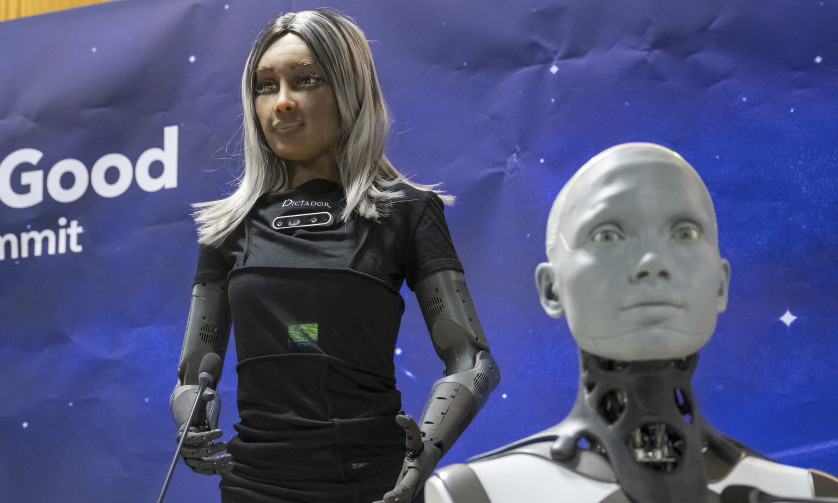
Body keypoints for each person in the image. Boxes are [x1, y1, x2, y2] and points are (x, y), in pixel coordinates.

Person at [168, 9, 499, 503]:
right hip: (254, 486)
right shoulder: (227, 227)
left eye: (305, 80)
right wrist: (190, 417)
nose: (282, 101)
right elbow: (193, 371)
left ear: (350, 90)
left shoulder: (407, 212)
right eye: (265, 86)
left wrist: (425, 452)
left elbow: (472, 360)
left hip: (376, 485)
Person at [424, 143, 838, 503]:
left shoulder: (811, 493)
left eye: (685, 234)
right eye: (607, 235)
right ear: (552, 289)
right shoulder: (474, 495)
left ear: (721, 283)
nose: (652, 263)